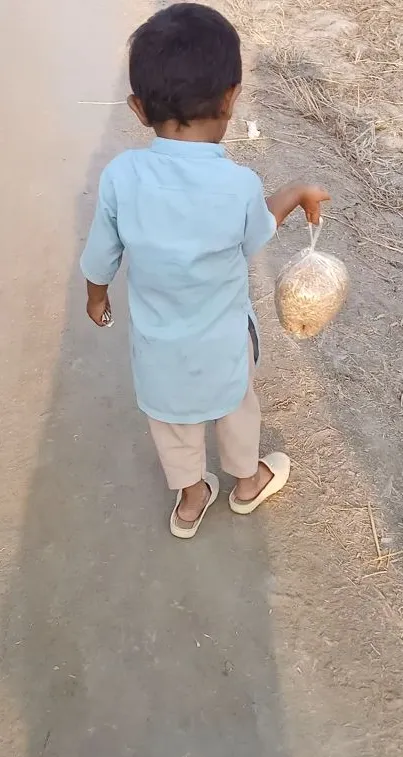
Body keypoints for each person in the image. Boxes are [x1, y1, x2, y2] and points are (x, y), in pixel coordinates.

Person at [81, 2, 329, 538]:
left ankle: (191, 502)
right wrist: (294, 192)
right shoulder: (237, 184)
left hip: (158, 347)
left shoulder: (122, 176)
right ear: (231, 99)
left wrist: (96, 295)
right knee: (236, 407)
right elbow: (258, 230)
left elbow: (102, 250)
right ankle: (246, 483)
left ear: (139, 108)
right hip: (221, 341)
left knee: (171, 420)